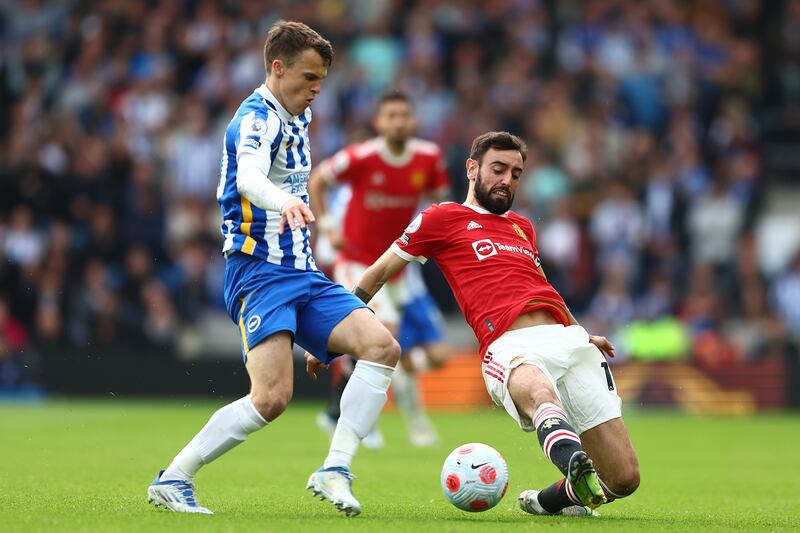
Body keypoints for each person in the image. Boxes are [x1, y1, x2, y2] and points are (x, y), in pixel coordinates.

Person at [308, 131, 640, 515]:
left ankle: (549, 501)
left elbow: (543, 286)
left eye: (516, 173)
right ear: (472, 168)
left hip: (567, 338)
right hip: (509, 345)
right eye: (498, 169)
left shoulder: (522, 227)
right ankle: (571, 460)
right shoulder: (441, 218)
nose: (507, 180)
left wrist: (583, 331)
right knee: (539, 394)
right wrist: (331, 335)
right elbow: (376, 273)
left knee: (622, 479)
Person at [147, 21, 401, 518]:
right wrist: (283, 200)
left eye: (322, 81)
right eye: (308, 78)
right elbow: (248, 178)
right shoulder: (256, 118)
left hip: (301, 273)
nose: (316, 90)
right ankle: (174, 478)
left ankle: (335, 469)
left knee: (382, 347)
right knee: (271, 398)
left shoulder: (296, 114)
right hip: (258, 272)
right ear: (277, 67)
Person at [308, 91, 450, 447]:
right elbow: (318, 181)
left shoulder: (428, 157)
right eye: (391, 115)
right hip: (356, 263)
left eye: (404, 115)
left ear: (413, 121)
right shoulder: (361, 157)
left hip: (398, 266)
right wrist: (327, 228)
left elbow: (442, 201)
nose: (399, 122)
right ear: (379, 123)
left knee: (399, 348)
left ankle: (335, 411)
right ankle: (372, 422)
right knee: (383, 339)